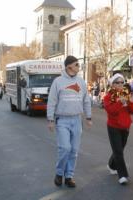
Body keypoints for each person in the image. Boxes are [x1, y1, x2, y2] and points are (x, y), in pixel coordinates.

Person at [47, 55, 92, 188]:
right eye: (77, 64)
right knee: (65, 148)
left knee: (74, 150)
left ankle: (69, 176)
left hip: (77, 120)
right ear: (69, 66)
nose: (79, 67)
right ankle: (59, 173)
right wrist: (50, 119)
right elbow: (52, 101)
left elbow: (86, 100)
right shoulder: (58, 82)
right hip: (62, 120)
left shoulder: (81, 82)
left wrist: (88, 117)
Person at [104, 73, 133, 185]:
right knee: (118, 151)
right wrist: (120, 102)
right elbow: (111, 111)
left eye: (122, 82)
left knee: (119, 149)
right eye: (117, 82)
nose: (120, 84)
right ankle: (122, 175)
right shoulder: (108, 97)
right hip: (113, 127)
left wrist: (131, 102)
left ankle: (111, 164)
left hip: (125, 126)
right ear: (112, 84)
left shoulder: (126, 94)